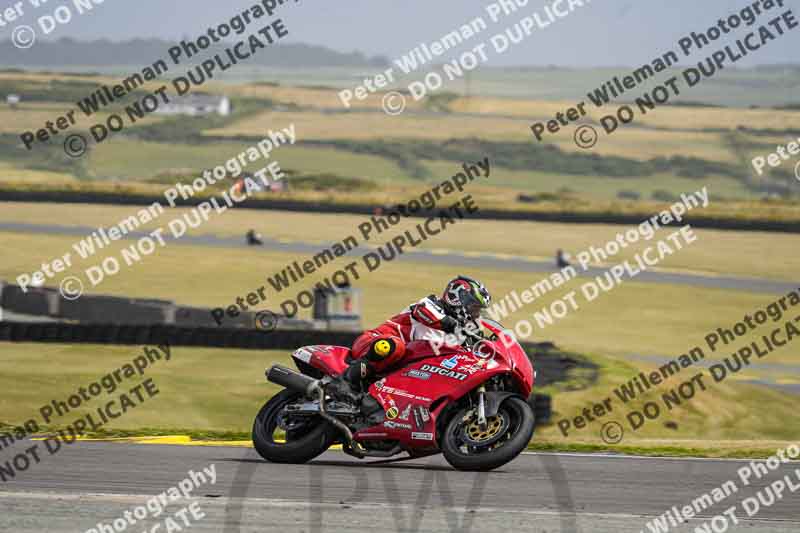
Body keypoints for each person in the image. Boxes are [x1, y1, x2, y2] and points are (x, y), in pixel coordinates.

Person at [330, 276, 492, 400]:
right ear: (456, 298)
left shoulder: (459, 334)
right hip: (375, 342)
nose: (476, 314)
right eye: (474, 308)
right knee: (394, 346)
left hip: (401, 368)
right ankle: (345, 382)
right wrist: (453, 326)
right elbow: (424, 312)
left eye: (478, 310)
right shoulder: (431, 304)